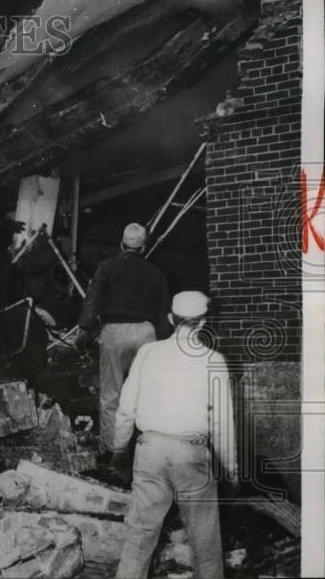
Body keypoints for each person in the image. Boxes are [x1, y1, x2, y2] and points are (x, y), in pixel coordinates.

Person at [112, 291, 238, 579]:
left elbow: (126, 406)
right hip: (190, 453)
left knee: (139, 537)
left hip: (149, 451)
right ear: (204, 323)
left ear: (171, 319)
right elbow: (222, 424)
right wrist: (232, 471)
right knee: (205, 542)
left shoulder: (148, 352)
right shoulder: (214, 361)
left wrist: (119, 448)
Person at [77, 222, 169, 460]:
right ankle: (147, 449)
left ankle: (112, 450)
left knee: (111, 394)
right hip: (145, 334)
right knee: (147, 393)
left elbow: (93, 299)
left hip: (115, 331)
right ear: (144, 247)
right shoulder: (156, 272)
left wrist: (84, 329)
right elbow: (164, 311)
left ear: (121, 244)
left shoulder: (107, 267)